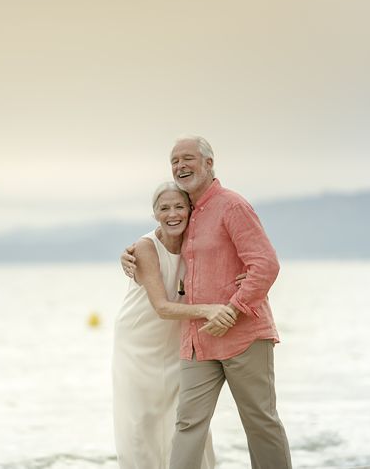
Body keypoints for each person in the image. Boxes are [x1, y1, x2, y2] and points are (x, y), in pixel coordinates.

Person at [121, 136, 292, 469]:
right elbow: (161, 236)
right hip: (198, 341)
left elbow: (266, 264)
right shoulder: (188, 211)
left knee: (260, 422)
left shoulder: (232, 205)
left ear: (209, 163)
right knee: (188, 424)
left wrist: (234, 308)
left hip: (244, 336)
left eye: (188, 158)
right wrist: (128, 255)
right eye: (174, 161)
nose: (180, 166)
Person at [113, 181, 240, 469]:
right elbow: (161, 307)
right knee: (141, 418)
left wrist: (242, 276)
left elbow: (224, 263)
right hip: (138, 342)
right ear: (155, 214)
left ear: (190, 210)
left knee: (184, 416)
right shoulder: (145, 248)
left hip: (176, 340)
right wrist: (209, 310)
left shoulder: (196, 243)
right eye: (164, 208)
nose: (172, 214)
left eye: (179, 206)